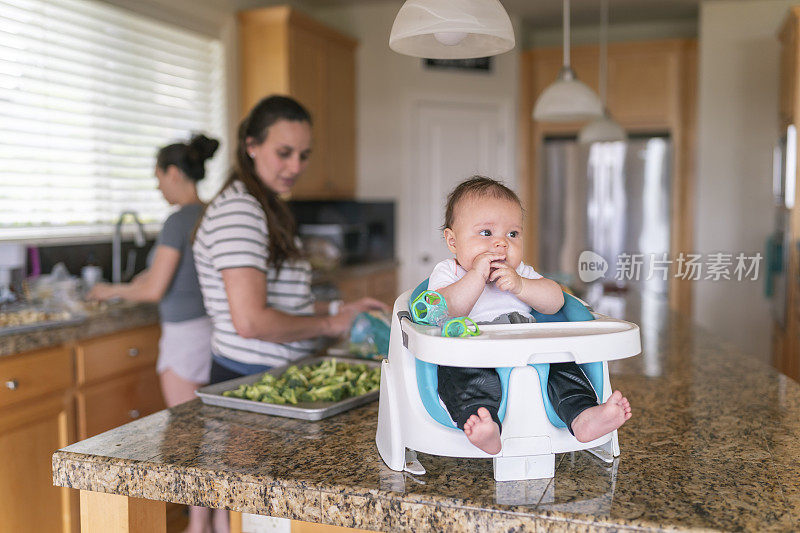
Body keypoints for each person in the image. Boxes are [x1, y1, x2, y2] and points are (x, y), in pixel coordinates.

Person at [428, 176, 632, 455]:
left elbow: (556, 301)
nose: (501, 244)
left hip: (531, 349)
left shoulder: (520, 272)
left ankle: (583, 415)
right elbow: (444, 310)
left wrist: (522, 286)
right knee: (463, 377)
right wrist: (476, 275)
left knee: (564, 368)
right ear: (453, 241)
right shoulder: (448, 272)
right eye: (486, 233)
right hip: (472, 350)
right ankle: (484, 426)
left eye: (512, 234)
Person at [193, 95, 387, 385]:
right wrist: (331, 324)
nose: (296, 167)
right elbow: (250, 322)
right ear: (251, 147)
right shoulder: (239, 211)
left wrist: (338, 309)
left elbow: (285, 300)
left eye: (304, 155)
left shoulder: (263, 206)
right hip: (251, 379)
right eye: (284, 153)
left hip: (270, 374)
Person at [88, 134, 227, 533]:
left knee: (189, 440)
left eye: (158, 178)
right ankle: (217, 523)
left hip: (184, 338)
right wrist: (138, 280)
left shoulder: (177, 219)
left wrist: (110, 290)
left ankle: (199, 525)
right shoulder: (208, 212)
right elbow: (169, 276)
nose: (157, 186)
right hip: (211, 333)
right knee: (212, 436)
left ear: (173, 173)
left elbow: (153, 289)